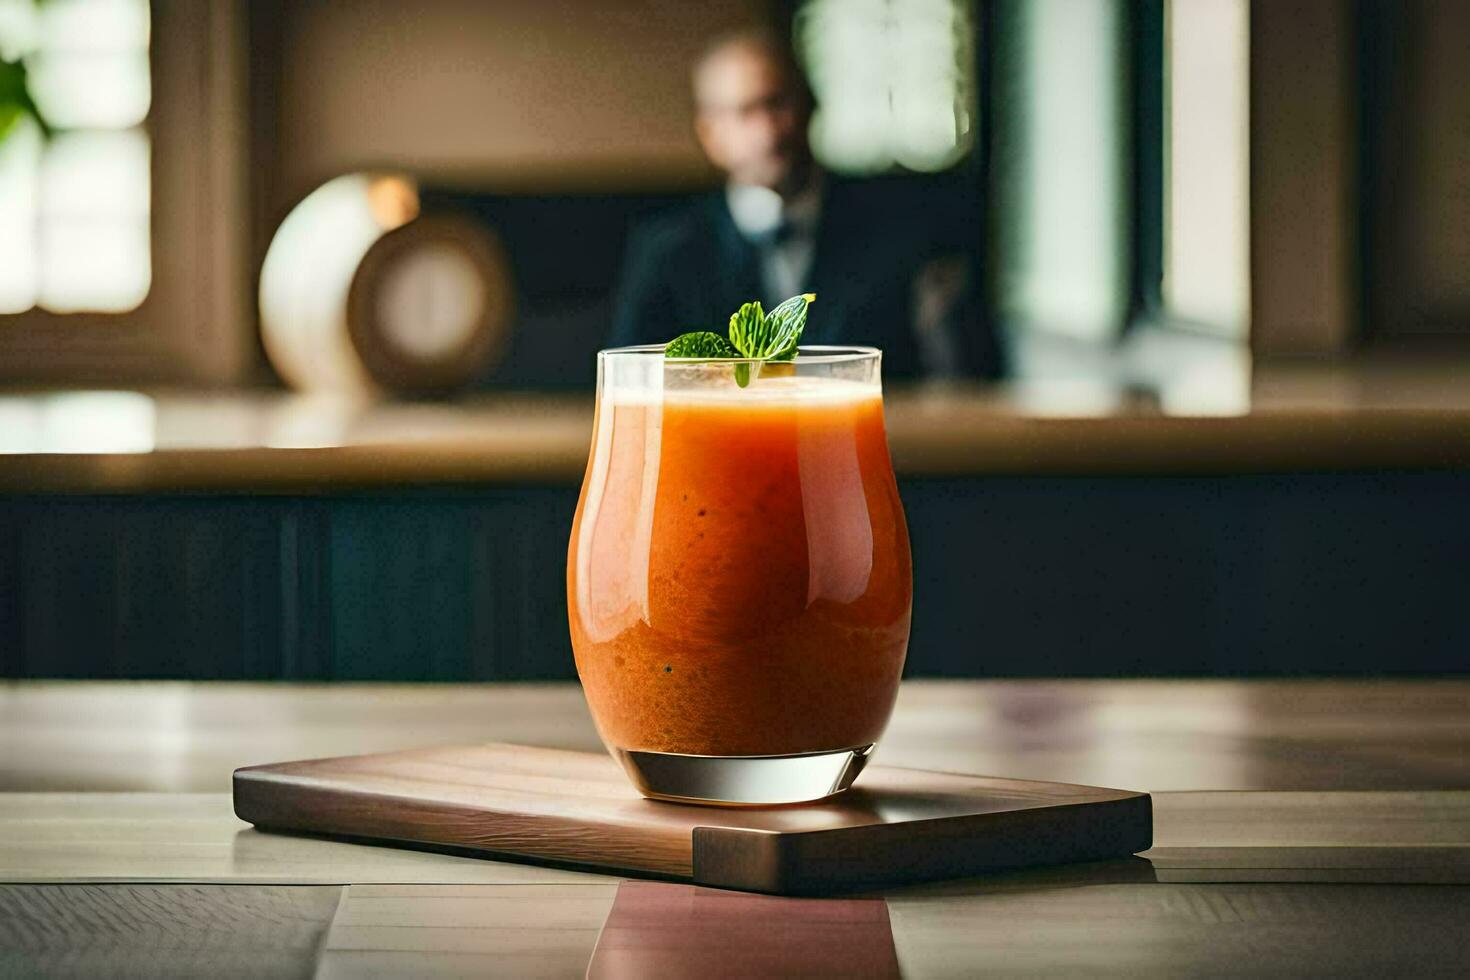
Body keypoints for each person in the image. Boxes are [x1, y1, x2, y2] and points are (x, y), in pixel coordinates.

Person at [610, 29, 1000, 379]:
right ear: (709, 133)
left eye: (778, 104)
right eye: (745, 112)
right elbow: (633, 384)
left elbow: (960, 380)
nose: (768, 132)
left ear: (811, 105)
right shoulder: (666, 250)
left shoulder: (900, 232)